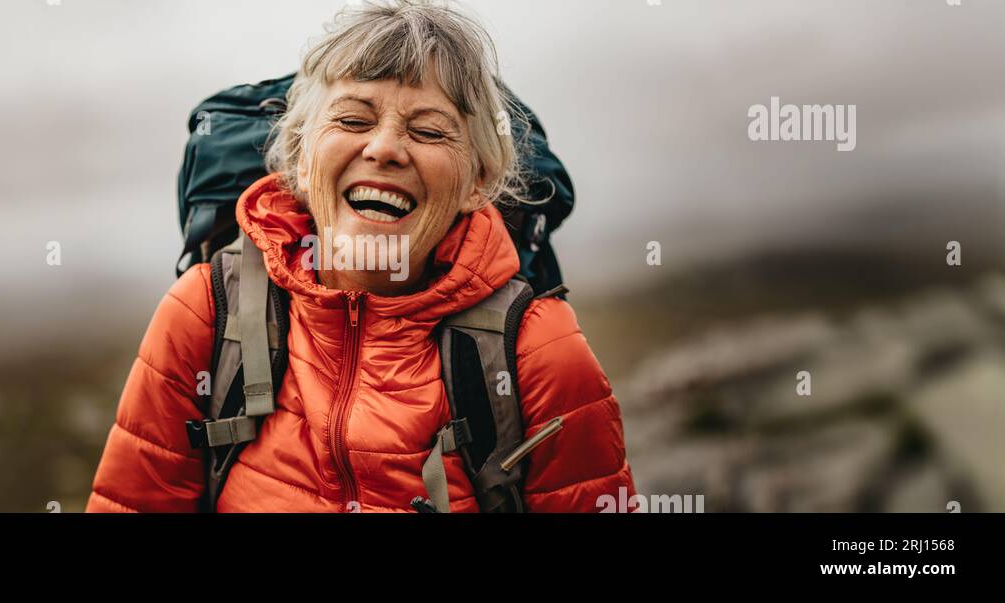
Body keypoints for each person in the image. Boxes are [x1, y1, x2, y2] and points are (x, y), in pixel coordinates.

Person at [87, 0, 635, 512]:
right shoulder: (205, 312)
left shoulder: (541, 351)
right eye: (352, 121)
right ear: (301, 158)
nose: (384, 148)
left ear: (479, 183)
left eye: (427, 130)